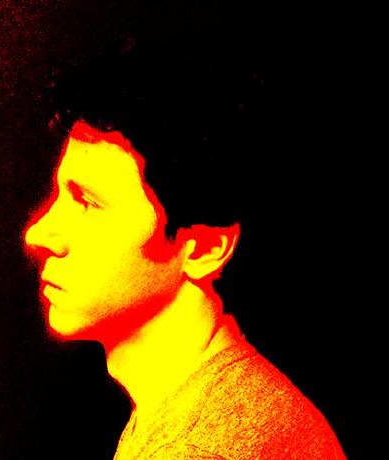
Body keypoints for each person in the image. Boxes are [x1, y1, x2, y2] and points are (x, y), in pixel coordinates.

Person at [24, 29, 346, 459]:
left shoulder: (204, 447)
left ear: (205, 248)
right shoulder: (203, 404)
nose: (39, 234)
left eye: (88, 203)